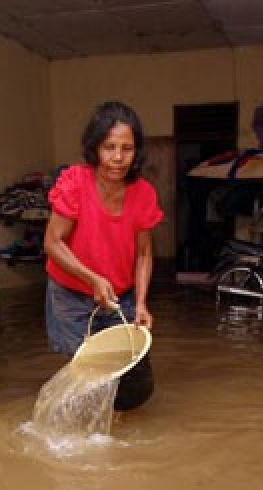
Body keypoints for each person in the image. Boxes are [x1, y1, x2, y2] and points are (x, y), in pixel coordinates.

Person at [43, 101, 164, 357]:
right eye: (109, 147)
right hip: (71, 295)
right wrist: (93, 279)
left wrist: (141, 303)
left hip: (120, 296)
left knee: (122, 364)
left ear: (137, 152)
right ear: (95, 147)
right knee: (82, 369)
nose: (118, 158)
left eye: (127, 149)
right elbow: (53, 243)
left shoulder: (144, 194)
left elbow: (144, 254)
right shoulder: (74, 182)